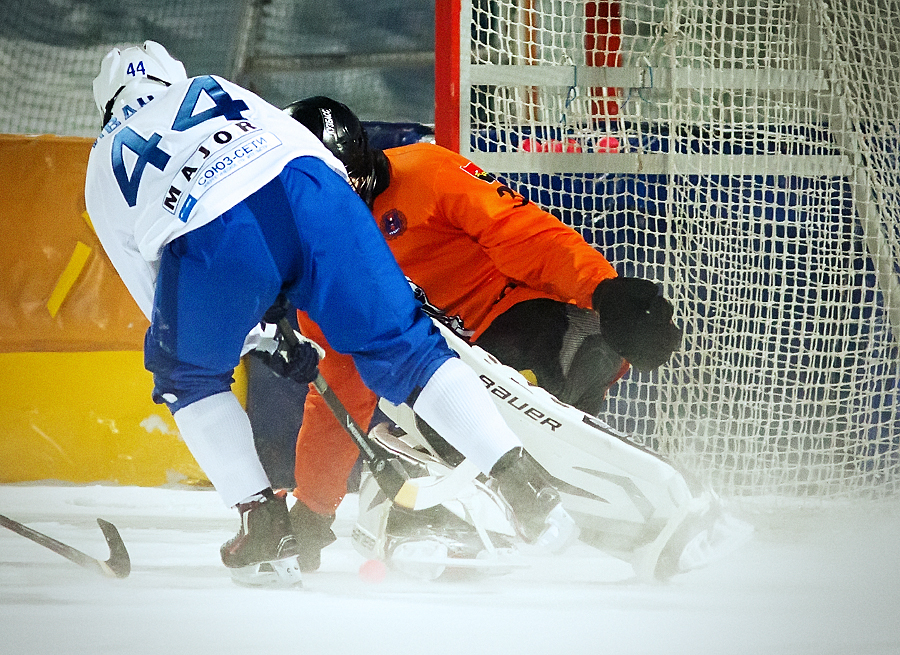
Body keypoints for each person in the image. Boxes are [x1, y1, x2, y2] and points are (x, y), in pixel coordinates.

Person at [84, 42, 578, 587]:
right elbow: (303, 158)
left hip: (212, 229)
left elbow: (157, 294)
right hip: (315, 190)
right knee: (407, 346)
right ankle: (524, 482)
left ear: (108, 104)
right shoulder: (214, 86)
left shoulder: (105, 158)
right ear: (171, 77)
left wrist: (255, 334)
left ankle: (266, 527)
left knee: (190, 378)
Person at [281, 96, 682, 571]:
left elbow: (521, 232)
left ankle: (577, 504)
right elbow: (339, 391)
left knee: (525, 385)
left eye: (351, 184)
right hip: (434, 362)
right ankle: (445, 515)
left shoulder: (429, 172)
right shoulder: (320, 265)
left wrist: (603, 291)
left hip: (517, 317)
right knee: (434, 414)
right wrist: (313, 506)